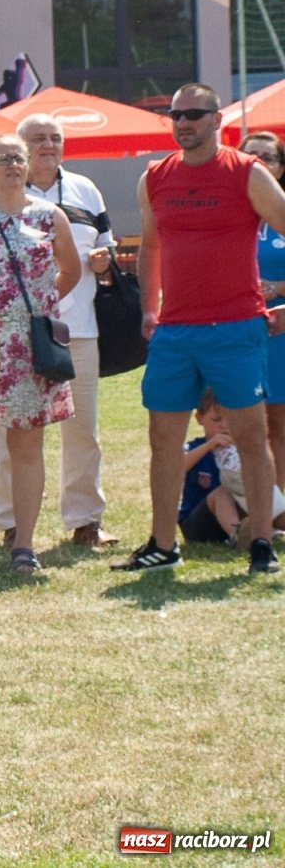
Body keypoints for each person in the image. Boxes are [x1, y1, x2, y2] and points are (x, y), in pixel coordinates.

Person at [114, 83, 285, 576]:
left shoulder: (246, 172)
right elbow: (150, 246)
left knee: (251, 437)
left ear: (215, 120)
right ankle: (163, 546)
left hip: (235, 326)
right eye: (176, 114)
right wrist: (149, 310)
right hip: (175, 331)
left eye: (193, 113)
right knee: (162, 438)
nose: (183, 121)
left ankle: (261, 544)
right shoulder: (155, 178)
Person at [0, 113, 118, 548]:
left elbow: (105, 241)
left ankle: (85, 520)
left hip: (75, 328)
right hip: (10, 335)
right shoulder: (0, 191)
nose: (48, 145)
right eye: (38, 139)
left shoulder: (85, 188)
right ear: (20, 149)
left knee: (83, 429)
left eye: (55, 138)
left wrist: (104, 260)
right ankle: (10, 524)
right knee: (9, 432)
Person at [0, 134, 79, 573]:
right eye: (2, 158)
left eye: (18, 158)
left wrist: (40, 310)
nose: (12, 165)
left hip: (30, 349)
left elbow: (70, 269)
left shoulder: (50, 216)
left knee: (28, 447)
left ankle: (24, 545)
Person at [179, 388, 285, 547]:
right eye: (216, 420)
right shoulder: (195, 447)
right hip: (198, 524)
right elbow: (178, 468)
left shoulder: (242, 448)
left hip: (238, 512)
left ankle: (263, 529)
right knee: (223, 491)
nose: (224, 426)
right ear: (200, 418)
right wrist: (208, 446)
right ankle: (236, 537)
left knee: (262, 494)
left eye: (230, 420)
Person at [243, 131, 285, 491]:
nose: (258, 162)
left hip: (281, 331)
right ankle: (250, 506)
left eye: (267, 157)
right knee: (242, 426)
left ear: (281, 167)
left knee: (279, 425)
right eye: (250, 155)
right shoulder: (229, 211)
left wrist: (280, 288)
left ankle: (282, 506)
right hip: (236, 329)